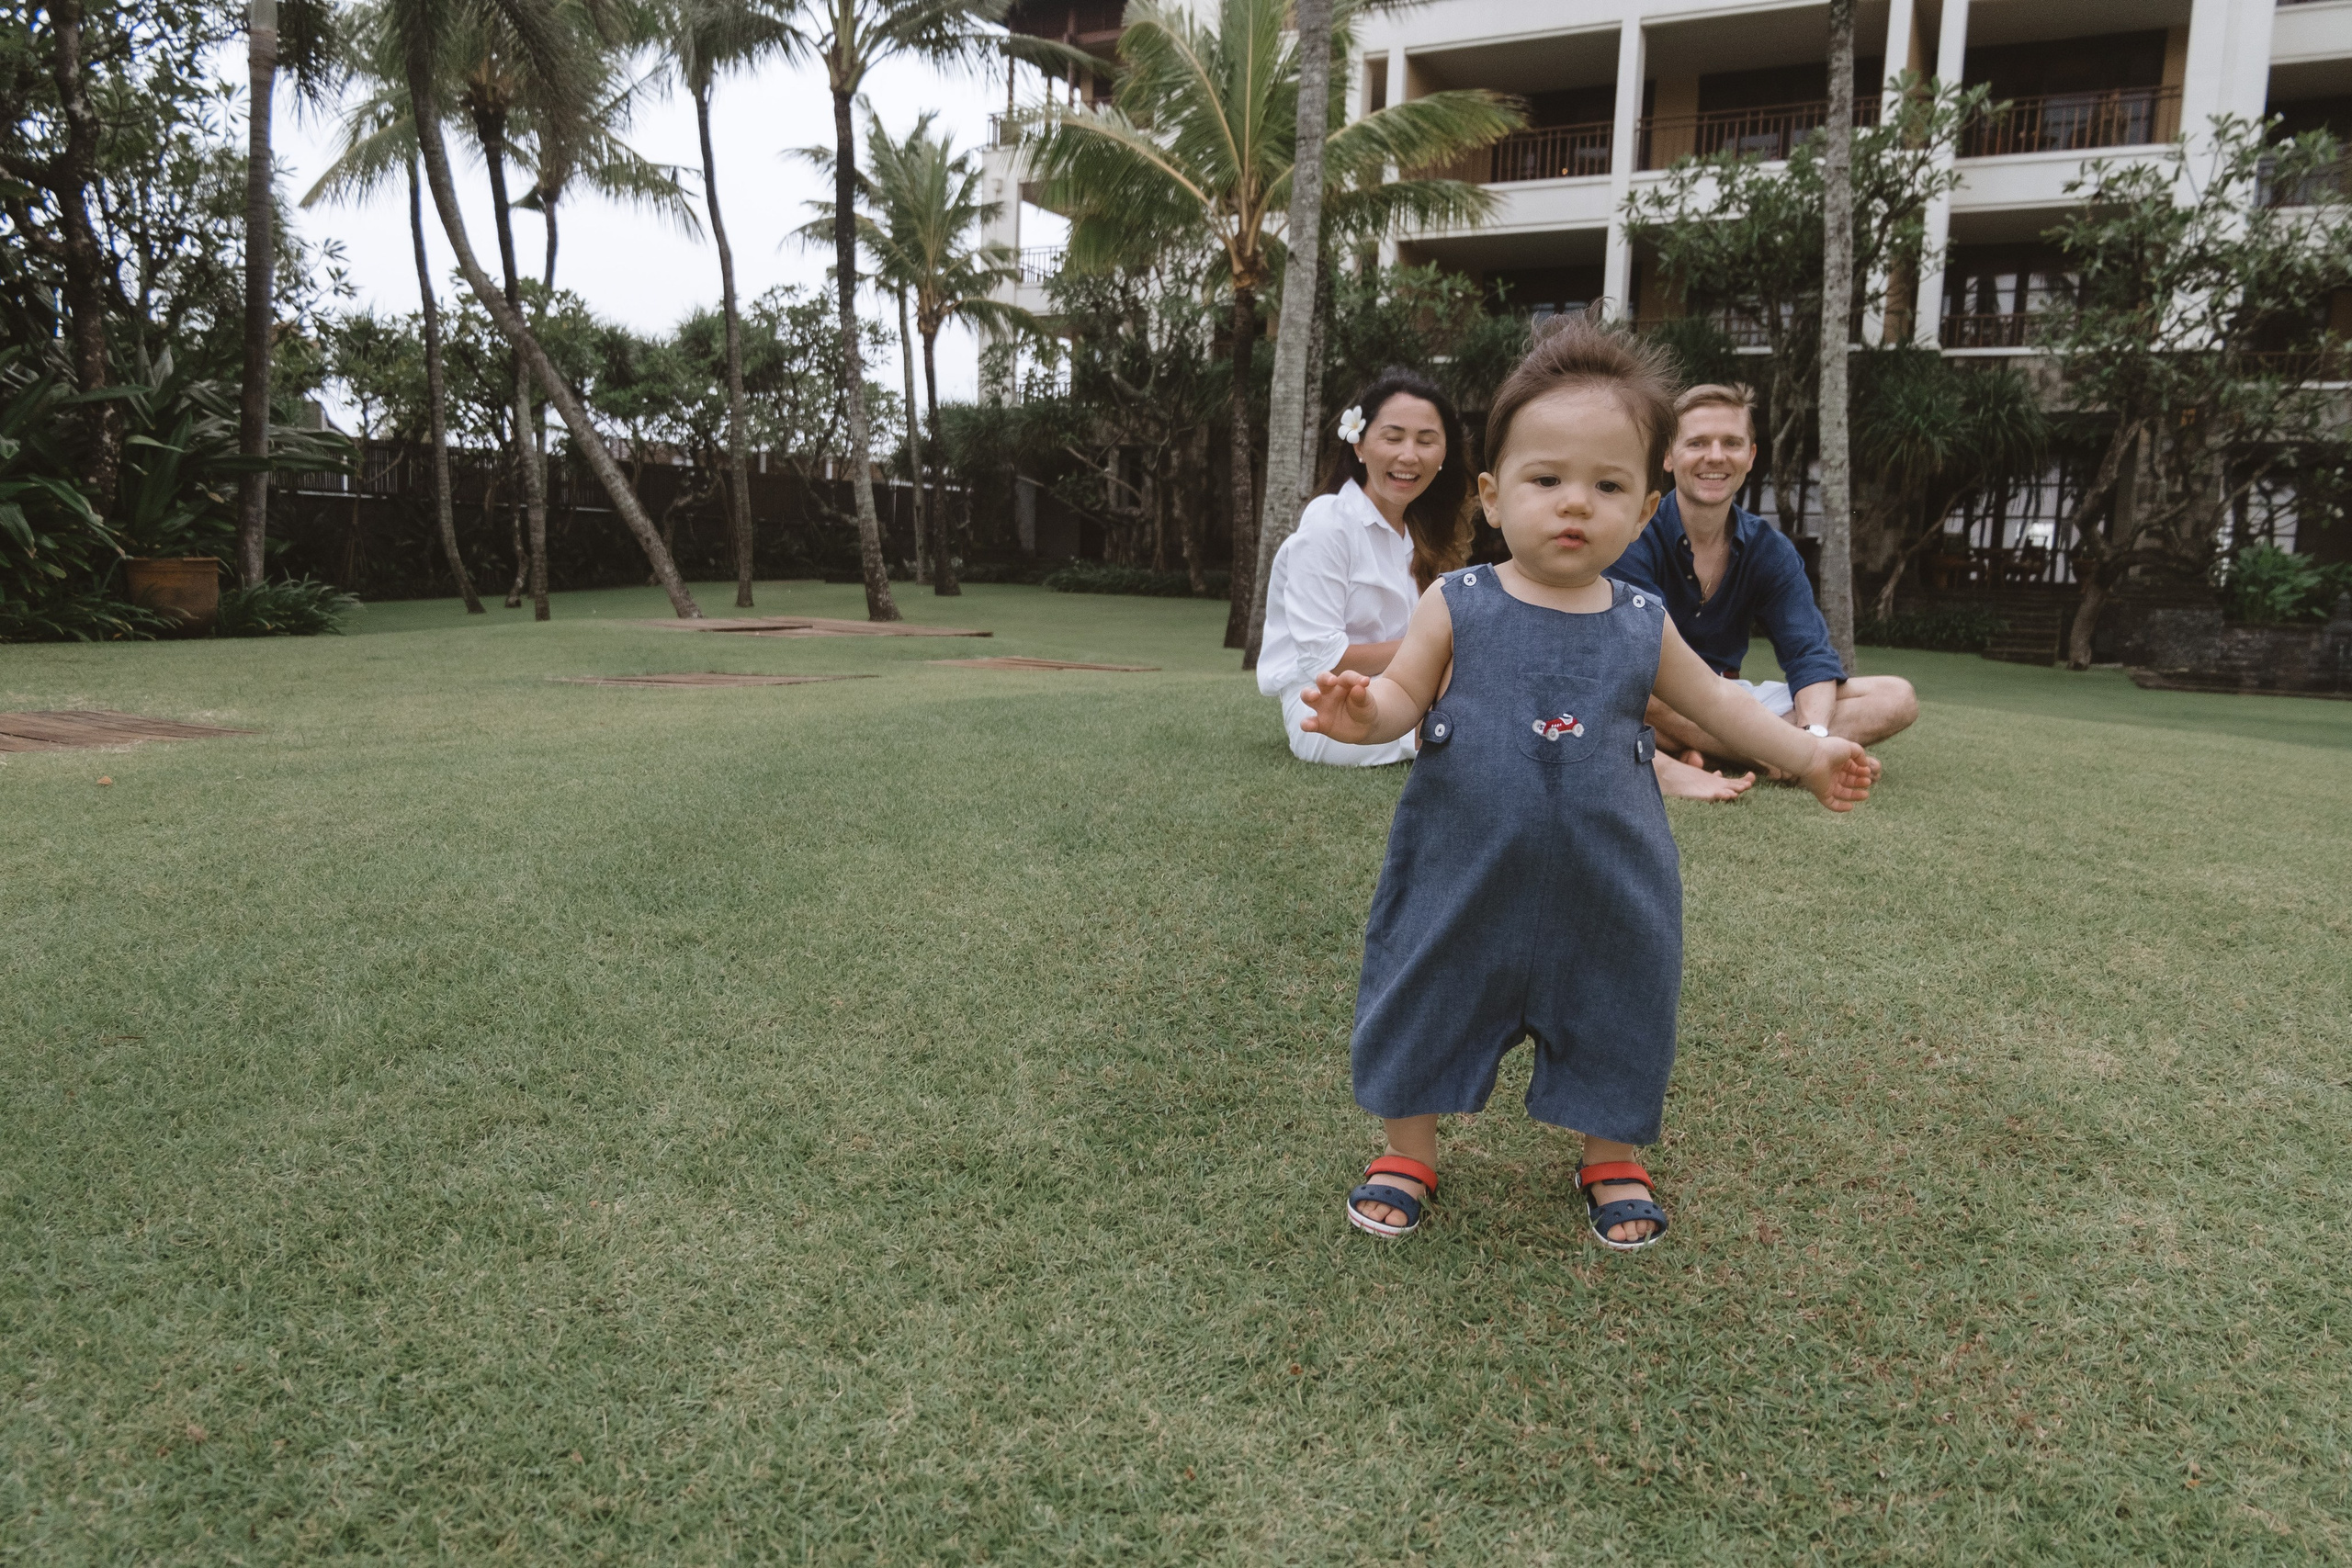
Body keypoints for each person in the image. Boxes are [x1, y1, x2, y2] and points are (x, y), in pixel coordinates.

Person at [1295, 319, 1874, 1250]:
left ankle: (1609, 1154)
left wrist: (1806, 754)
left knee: (1618, 1003)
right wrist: (1361, 714)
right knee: (1425, 990)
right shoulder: (1457, 603)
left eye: (1607, 486)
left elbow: (1722, 711)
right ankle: (1407, 1148)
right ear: (1490, 496)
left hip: (1608, 879)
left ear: (1646, 510)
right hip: (1459, 873)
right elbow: (1403, 693)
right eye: (1546, 479)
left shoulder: (1642, 621)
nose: (1575, 505)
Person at [1616, 383, 1918, 784]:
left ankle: (1765, 751)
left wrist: (1814, 733)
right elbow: (1638, 659)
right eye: (1698, 443)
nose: (1716, 456)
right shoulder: (1633, 534)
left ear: (1751, 456)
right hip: (1666, 693)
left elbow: (1808, 655)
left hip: (1733, 699)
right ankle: (1782, 756)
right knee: (1637, 690)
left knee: (1897, 697)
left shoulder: (1769, 549)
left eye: (1731, 443)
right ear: (1668, 456)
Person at [1256, 369, 1469, 766]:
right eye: (1393, 437)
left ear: (1443, 456)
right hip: (1329, 711)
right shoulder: (1329, 523)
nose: (1409, 455)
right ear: (1359, 446)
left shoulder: (1424, 535)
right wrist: (1438, 645)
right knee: (1481, 727)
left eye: (1426, 441)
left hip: (1407, 694)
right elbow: (1325, 659)